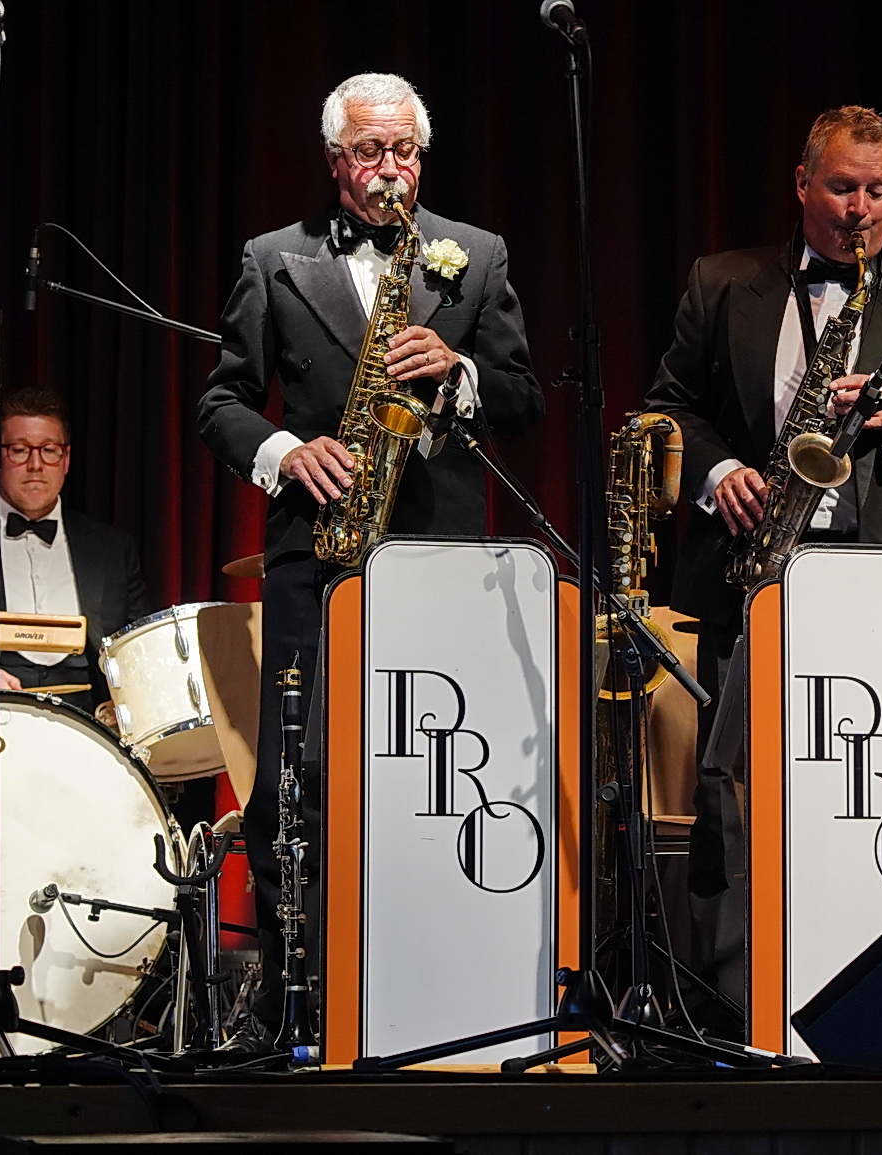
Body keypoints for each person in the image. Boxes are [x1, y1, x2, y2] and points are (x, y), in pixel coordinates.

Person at [197, 72, 543, 1036]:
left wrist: (461, 370)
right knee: (296, 776)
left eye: (404, 152)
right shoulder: (275, 259)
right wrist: (283, 451)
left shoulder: (474, 255)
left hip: (438, 561)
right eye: (368, 153)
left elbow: (524, 398)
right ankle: (290, 1001)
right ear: (336, 162)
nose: (388, 169)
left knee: (437, 773)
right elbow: (219, 402)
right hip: (319, 550)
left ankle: (435, 987)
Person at [645, 106, 882, 1017]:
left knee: (881, 784)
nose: (859, 210)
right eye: (842, 187)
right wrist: (719, 470)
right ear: (803, 185)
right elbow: (667, 408)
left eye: (877, 191)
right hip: (758, 570)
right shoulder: (721, 282)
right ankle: (738, 1007)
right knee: (735, 792)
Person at [0, 389, 151, 716]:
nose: (35, 465)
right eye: (19, 450)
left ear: (66, 459)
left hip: (90, 732)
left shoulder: (113, 548)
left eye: (49, 450)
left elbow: (142, 649)